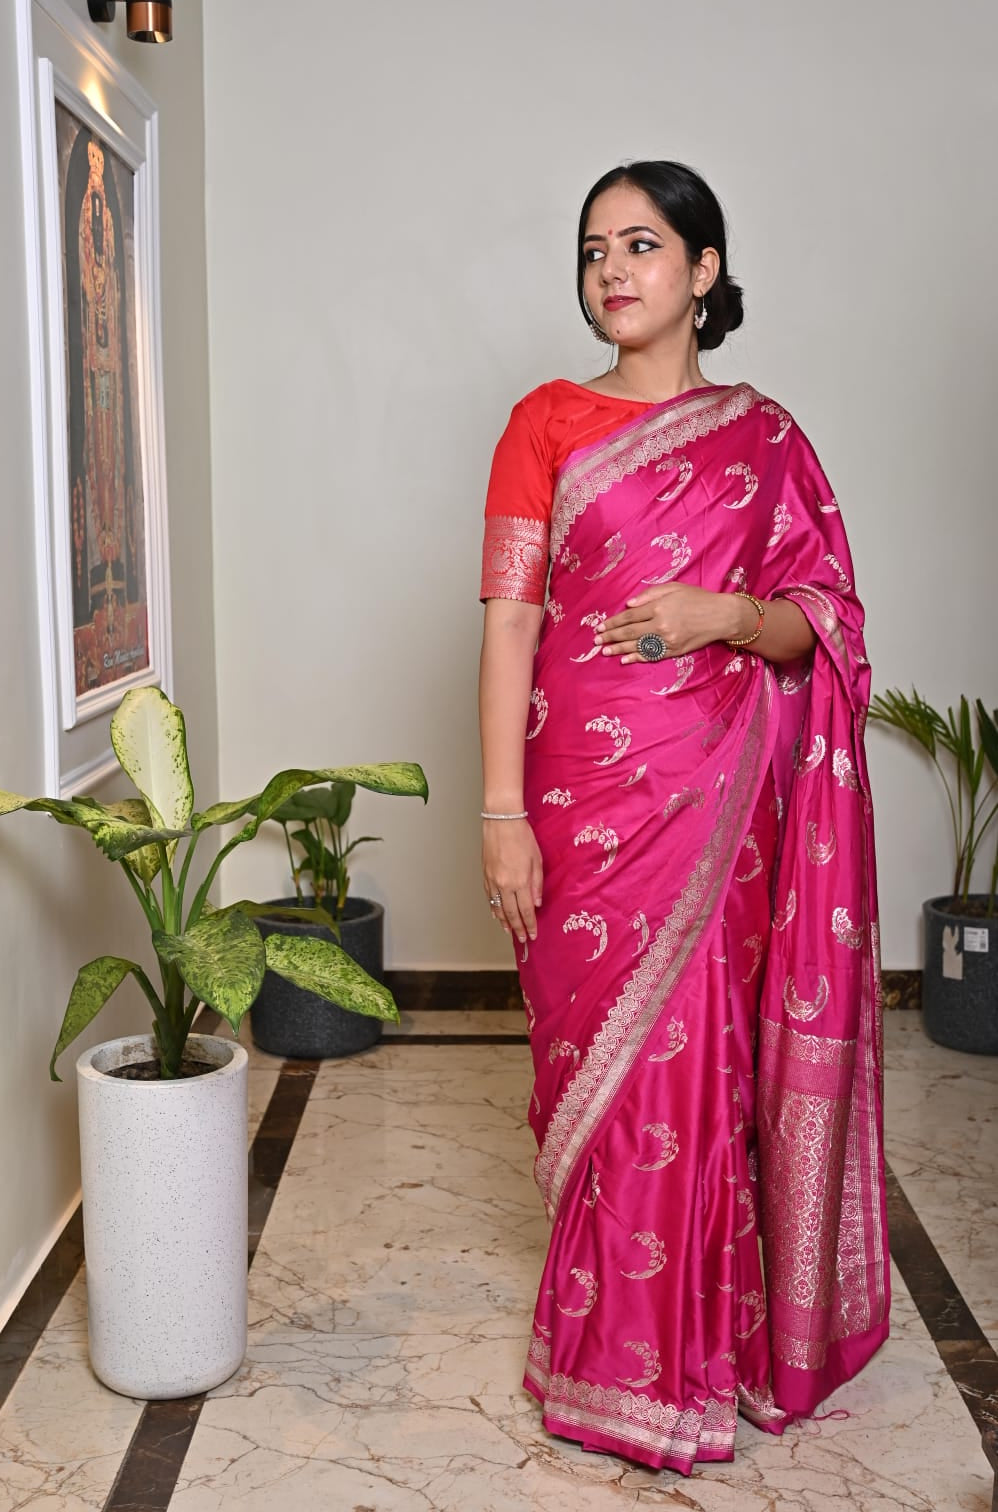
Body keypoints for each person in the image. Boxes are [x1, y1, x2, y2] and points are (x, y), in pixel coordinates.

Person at [477, 160, 888, 1475]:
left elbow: (824, 626)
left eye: (642, 244)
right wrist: (498, 808)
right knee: (594, 1066)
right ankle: (614, 1346)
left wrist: (726, 617)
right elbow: (509, 628)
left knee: (693, 1061)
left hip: (719, 804)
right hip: (576, 802)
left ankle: (672, 1364)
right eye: (593, 247)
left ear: (703, 273)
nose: (611, 268)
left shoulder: (766, 441)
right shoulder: (541, 421)